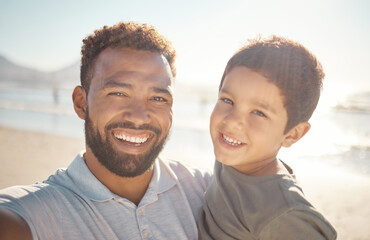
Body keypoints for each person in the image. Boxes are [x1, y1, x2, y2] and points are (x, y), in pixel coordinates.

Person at [0, 22, 211, 240]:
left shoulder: (205, 190)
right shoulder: (38, 213)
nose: (138, 116)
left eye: (158, 98)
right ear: (81, 103)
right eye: (118, 93)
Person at [197, 36, 337, 239]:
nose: (233, 120)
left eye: (259, 113)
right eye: (228, 100)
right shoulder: (237, 157)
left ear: (291, 135)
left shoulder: (282, 212)